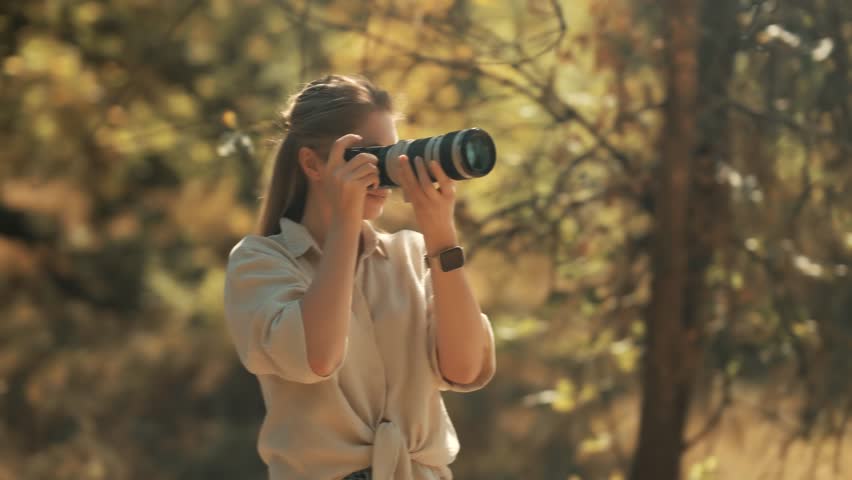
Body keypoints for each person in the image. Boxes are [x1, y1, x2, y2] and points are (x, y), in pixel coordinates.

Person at [223, 74, 497, 480]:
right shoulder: (260, 263)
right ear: (313, 163)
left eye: (391, 153)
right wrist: (345, 221)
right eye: (369, 154)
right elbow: (317, 357)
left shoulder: (412, 254)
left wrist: (442, 235)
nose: (385, 171)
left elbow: (465, 368)